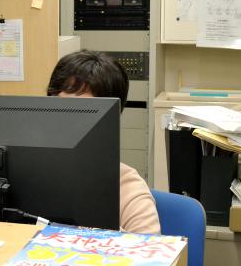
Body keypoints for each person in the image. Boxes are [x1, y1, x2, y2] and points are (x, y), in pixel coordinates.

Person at [47, 50, 161, 234]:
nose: (62, 119)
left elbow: (148, 252)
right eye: (56, 104)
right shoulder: (30, 175)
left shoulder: (128, 188)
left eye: (77, 110)